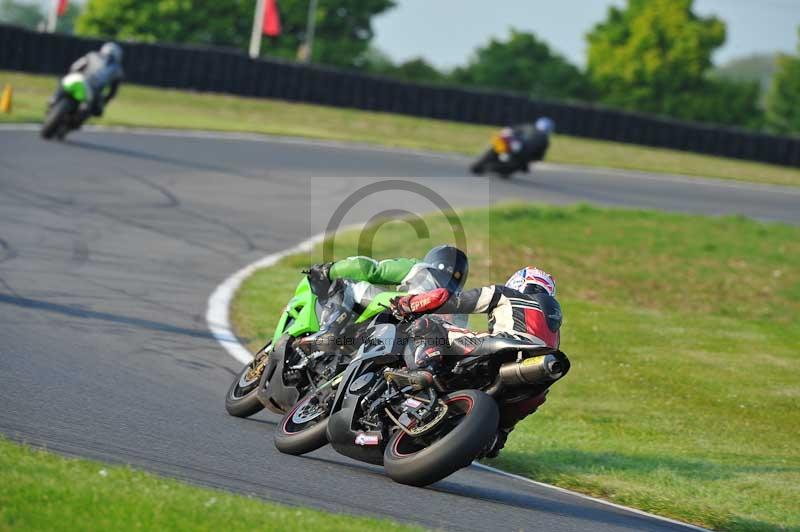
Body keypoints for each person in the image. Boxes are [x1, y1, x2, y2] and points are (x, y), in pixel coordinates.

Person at [390, 266, 570, 457]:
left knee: (432, 324)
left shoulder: (507, 294)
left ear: (518, 283)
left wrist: (408, 303)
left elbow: (454, 301)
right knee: (533, 399)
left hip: (504, 345)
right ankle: (497, 436)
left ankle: (425, 368)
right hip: (539, 374)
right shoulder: (555, 324)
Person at [295, 245, 469, 356]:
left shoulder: (423, 269)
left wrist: (330, 270)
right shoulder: (462, 302)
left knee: (346, 282)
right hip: (419, 343)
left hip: (400, 313)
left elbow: (371, 270)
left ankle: (329, 330)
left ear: (434, 260)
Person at [54, 42, 124, 119]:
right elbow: (113, 90)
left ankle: (54, 98)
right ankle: (56, 100)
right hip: (93, 89)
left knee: (64, 80)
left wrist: (72, 74)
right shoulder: (117, 69)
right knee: (97, 110)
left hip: (82, 81)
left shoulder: (92, 55)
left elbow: (75, 67)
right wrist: (106, 100)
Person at [471, 117, 555, 176]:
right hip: (519, 149)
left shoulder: (527, 126)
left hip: (512, 142)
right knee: (521, 166)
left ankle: (482, 164)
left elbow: (511, 130)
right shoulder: (545, 140)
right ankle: (489, 166)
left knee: (498, 143)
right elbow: (539, 156)